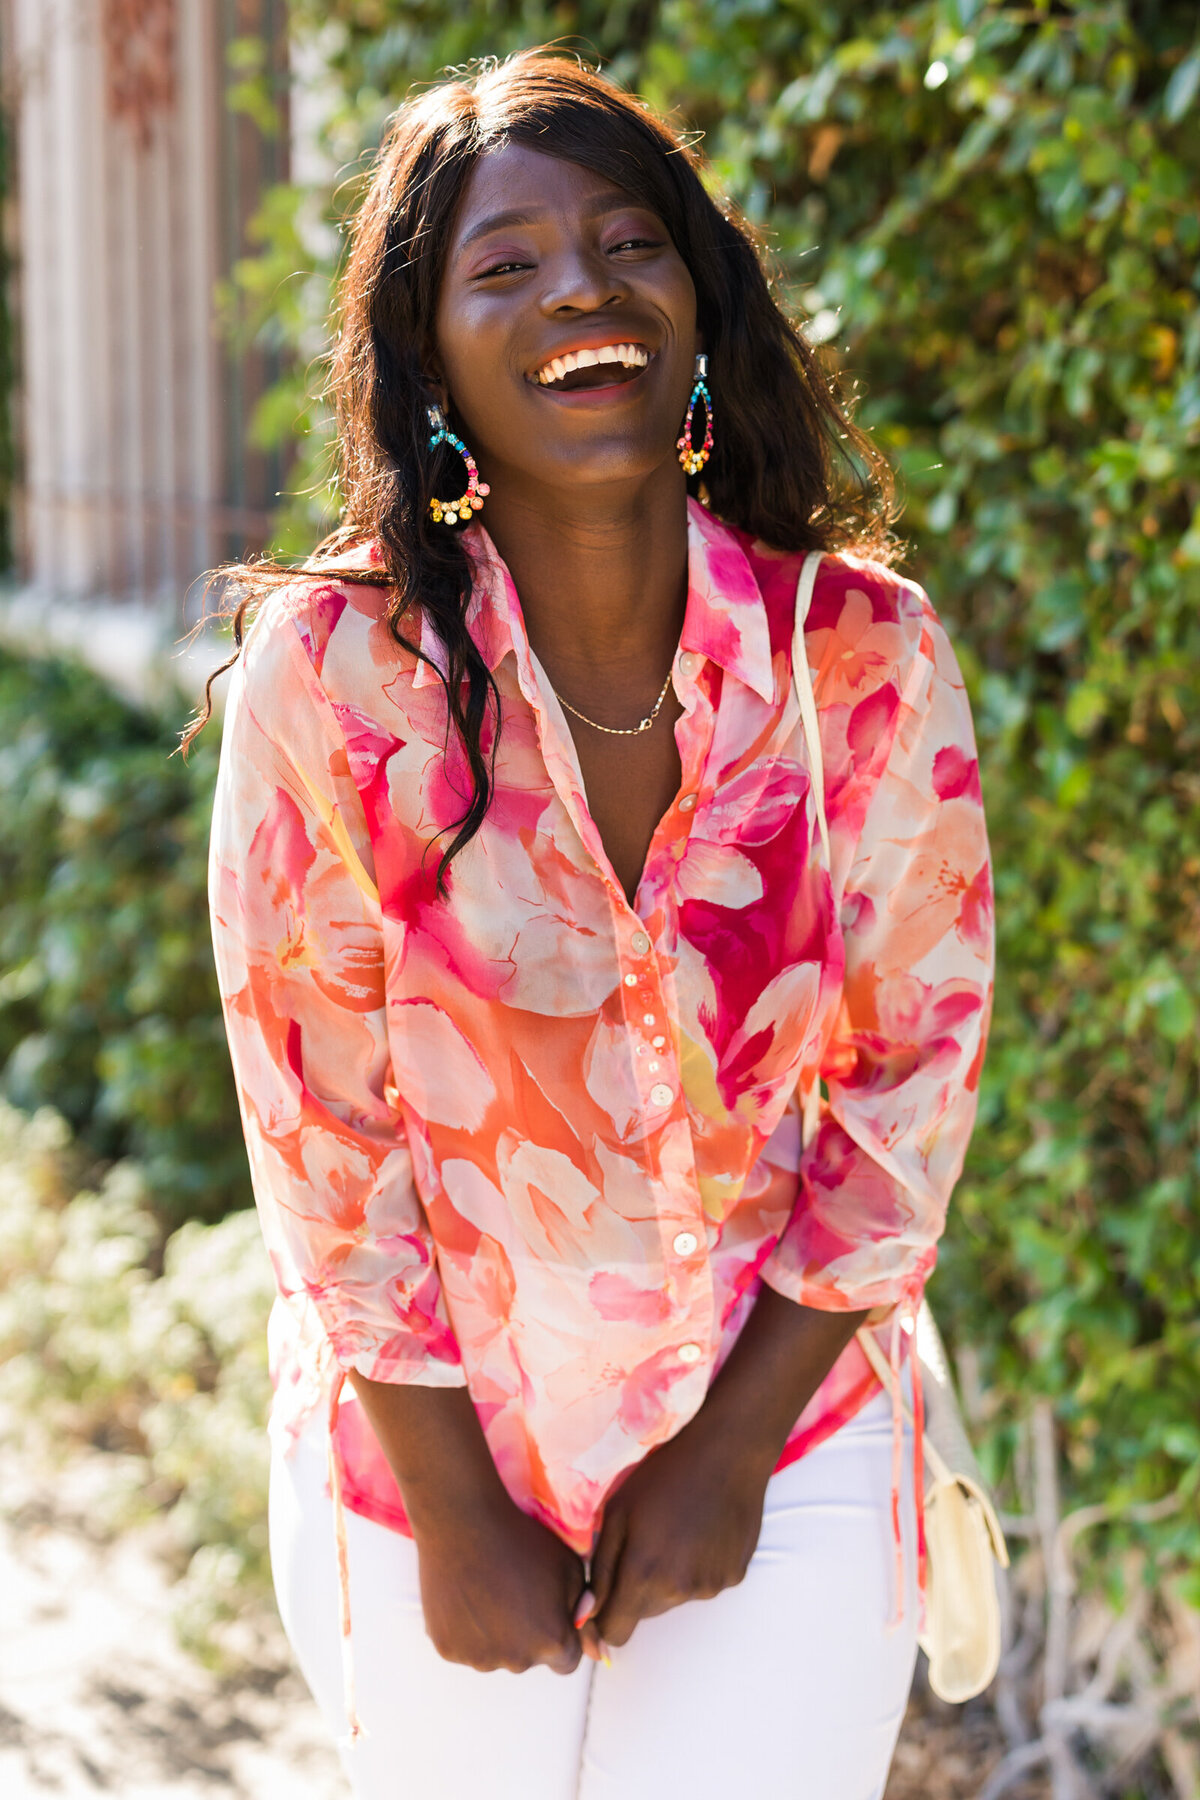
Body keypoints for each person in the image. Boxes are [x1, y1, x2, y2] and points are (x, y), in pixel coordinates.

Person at [200, 47, 994, 1800]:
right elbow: (318, 1128)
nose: (580, 285)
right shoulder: (334, 684)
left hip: (786, 1431)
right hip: (436, 1454)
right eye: (507, 264)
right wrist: (451, 1502)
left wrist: (730, 1454)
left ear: (696, 304)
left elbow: (913, 1068)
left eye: (629, 243)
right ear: (433, 368)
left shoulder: (856, 657)